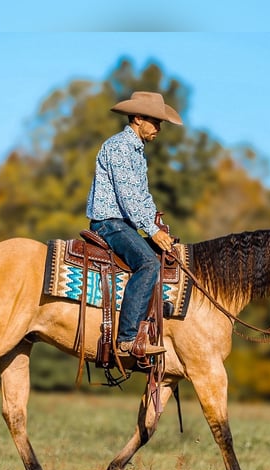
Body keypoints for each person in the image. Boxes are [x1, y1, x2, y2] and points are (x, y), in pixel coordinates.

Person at [86, 91, 183, 358]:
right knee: (149, 263)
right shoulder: (118, 147)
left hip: (126, 224)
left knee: (163, 256)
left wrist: (157, 225)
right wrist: (151, 231)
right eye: (156, 121)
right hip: (110, 223)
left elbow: (143, 196)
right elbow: (128, 197)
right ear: (138, 118)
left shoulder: (137, 152)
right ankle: (127, 338)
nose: (159, 128)